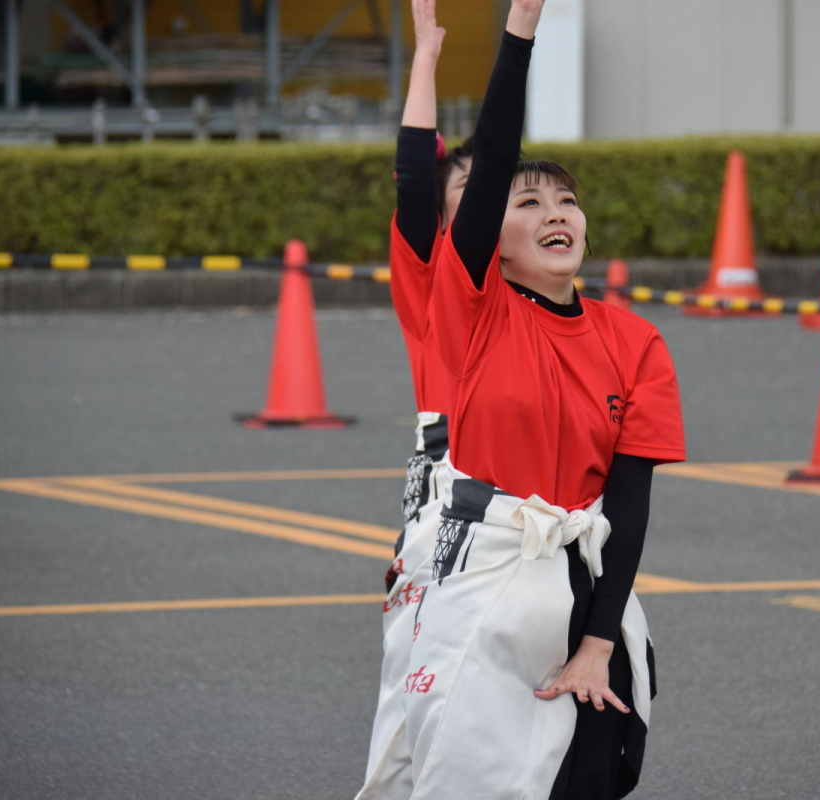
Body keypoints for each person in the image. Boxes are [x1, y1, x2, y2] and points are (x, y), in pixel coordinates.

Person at [389, 2, 687, 797]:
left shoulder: (638, 344)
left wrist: (597, 641)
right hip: (483, 575)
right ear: (491, 237)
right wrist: (518, 30)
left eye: (566, 201)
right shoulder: (472, 307)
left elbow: (628, 506)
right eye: (529, 204)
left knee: (590, 775)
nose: (556, 213)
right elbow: (480, 165)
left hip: (585, 587)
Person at [356, 1, 463, 795]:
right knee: (419, 687)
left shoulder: (538, 292)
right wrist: (425, 58)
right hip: (451, 490)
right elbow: (414, 173)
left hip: (539, 503)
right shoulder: (433, 279)